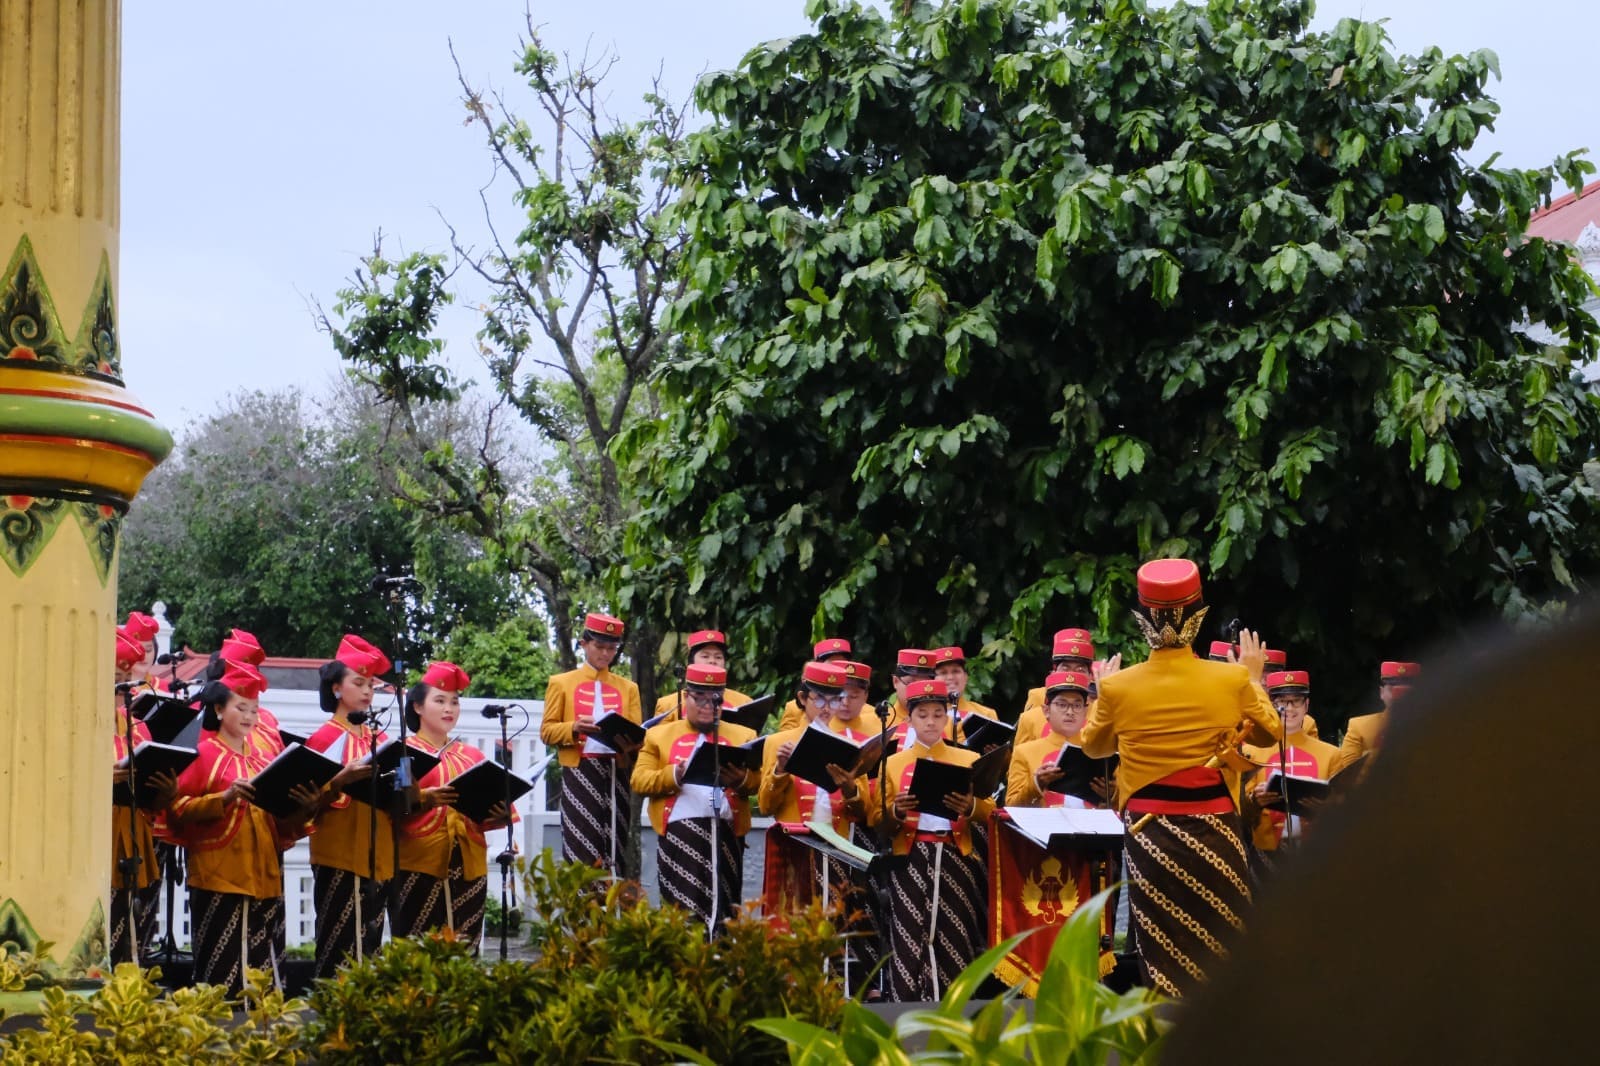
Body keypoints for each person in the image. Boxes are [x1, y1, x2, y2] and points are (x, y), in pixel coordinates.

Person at [1080, 558, 1280, 997]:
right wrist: (1253, 678)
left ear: (1143, 620)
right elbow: (1270, 735)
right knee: (1224, 939)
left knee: (1163, 945)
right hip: (1214, 827)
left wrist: (1102, 691)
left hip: (1150, 833)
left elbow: (1093, 747)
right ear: (1197, 617)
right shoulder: (1230, 679)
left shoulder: (1118, 687)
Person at [163, 662, 316, 994]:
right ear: (218, 709)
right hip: (220, 875)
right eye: (241, 708)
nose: (250, 716)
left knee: (265, 970)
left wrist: (305, 806)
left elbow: (281, 823)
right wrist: (226, 797)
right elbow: (176, 810)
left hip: (265, 876)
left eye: (255, 710)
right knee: (223, 970)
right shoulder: (203, 754)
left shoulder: (266, 760)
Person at [869, 678, 993, 1002]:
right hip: (909, 857)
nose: (930, 721)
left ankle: (955, 1009)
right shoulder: (892, 763)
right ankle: (906, 1011)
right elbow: (876, 820)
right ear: (909, 718)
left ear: (947, 718)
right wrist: (895, 811)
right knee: (909, 937)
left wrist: (971, 807)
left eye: (938, 714)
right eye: (922, 714)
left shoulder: (966, 759)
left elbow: (991, 809)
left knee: (955, 936)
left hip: (955, 856)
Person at [390, 661, 512, 950]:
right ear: (418, 707)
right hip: (417, 866)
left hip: (469, 867)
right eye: (440, 701)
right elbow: (393, 809)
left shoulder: (471, 755)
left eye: (454, 702)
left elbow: (489, 812)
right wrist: (424, 799)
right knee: (420, 952)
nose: (449, 709)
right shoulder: (403, 754)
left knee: (465, 951)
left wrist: (500, 815)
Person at [632, 663, 760, 935]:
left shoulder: (743, 736)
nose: (707, 706)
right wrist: (674, 775)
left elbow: (759, 784)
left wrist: (741, 780)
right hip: (681, 836)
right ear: (685, 697)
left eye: (715, 699)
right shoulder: (658, 735)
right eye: (699, 698)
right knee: (683, 915)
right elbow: (639, 780)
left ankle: (721, 968)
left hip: (727, 836)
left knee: (725, 913)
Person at [304, 634, 392, 979]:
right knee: (339, 944)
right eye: (359, 683)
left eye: (371, 684)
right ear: (336, 688)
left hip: (379, 853)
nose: (368, 691)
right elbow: (308, 800)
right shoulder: (323, 737)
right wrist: (339, 781)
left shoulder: (379, 738)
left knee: (372, 945)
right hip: (338, 853)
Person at [540, 612, 644, 878]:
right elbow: (547, 731)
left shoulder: (628, 688)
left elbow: (639, 735)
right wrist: (573, 727)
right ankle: (581, 914)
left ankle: (612, 912)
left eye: (611, 648)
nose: (605, 654)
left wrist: (630, 745)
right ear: (584, 643)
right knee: (580, 847)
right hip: (579, 771)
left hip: (616, 773)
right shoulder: (561, 683)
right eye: (599, 646)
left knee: (615, 847)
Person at [111, 628, 175, 965]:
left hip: (135, 838)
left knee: (133, 935)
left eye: (125, 678)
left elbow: (155, 801)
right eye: (112, 677)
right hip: (99, 841)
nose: (120, 687)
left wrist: (166, 790)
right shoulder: (77, 719)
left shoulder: (139, 728)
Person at [1244, 670, 1339, 854]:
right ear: (1271, 705)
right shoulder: (1252, 752)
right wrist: (1255, 800)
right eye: (1281, 701)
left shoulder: (1332, 755)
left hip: (1316, 852)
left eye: (1296, 700)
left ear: (1306, 705)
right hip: (1266, 853)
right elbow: (1240, 814)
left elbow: (1346, 810)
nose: (1289, 708)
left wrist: (1327, 807)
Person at [1006, 670, 1107, 808]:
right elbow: (1011, 806)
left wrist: (1111, 795)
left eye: (1077, 705)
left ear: (1085, 711)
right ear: (1046, 711)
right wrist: (1036, 784)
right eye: (1062, 704)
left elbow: (1121, 808)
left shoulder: (1100, 752)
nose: (1070, 712)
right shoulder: (1024, 752)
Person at [1015, 629, 1106, 745]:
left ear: (1090, 676)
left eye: (1080, 670)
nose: (1072, 674)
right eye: (1065, 668)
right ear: (1054, 671)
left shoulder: (1099, 709)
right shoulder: (1034, 709)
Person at [1330, 661, 1420, 777]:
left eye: (1405, 691)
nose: (1398, 696)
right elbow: (1347, 777)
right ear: (1382, 693)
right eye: (1392, 690)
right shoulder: (1359, 726)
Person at [653, 628, 755, 721]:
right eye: (705, 656)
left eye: (718, 657)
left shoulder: (744, 702)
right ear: (691, 662)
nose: (712, 661)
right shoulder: (667, 705)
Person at [779, 636, 855, 730]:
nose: (837, 670)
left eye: (843, 666)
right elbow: (784, 739)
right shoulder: (796, 708)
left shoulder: (858, 708)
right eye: (832, 665)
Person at [929, 646, 1000, 743]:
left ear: (966, 677)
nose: (950, 677)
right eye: (943, 673)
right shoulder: (922, 718)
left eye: (956, 671)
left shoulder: (985, 714)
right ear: (931, 680)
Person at [881, 648, 937, 746]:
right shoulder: (878, 722)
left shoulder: (944, 725)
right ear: (895, 681)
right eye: (911, 683)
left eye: (924, 684)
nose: (917, 691)